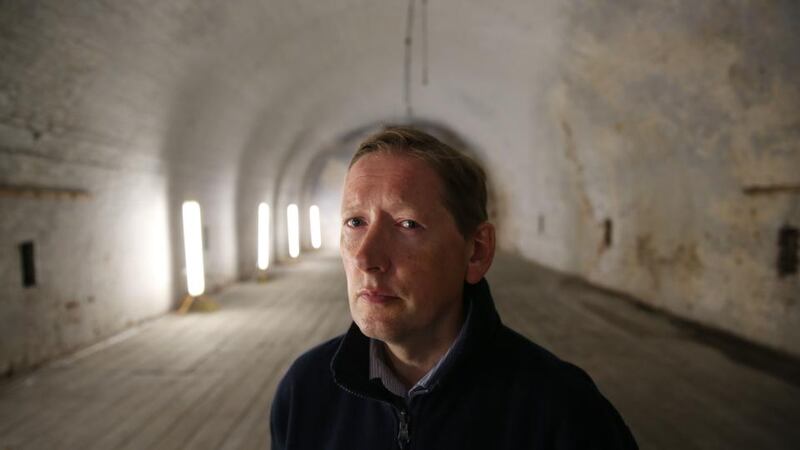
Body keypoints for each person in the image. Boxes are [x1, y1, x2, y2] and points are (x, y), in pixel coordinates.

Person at [270, 126, 638, 449]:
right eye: (355, 222)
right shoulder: (306, 391)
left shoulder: (563, 412)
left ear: (476, 251)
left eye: (407, 224)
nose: (367, 257)